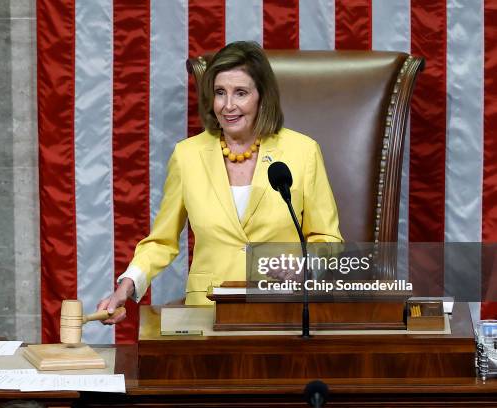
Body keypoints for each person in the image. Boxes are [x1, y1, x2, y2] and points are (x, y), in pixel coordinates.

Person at [97, 41, 342, 324]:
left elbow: (328, 239)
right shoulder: (187, 156)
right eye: (220, 93)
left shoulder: (302, 152)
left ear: (263, 97)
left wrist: (305, 265)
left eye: (241, 93)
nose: (228, 106)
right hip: (208, 312)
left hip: (281, 309)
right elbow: (161, 241)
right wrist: (124, 288)